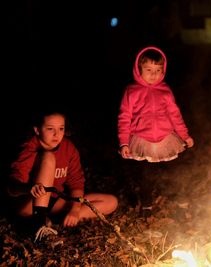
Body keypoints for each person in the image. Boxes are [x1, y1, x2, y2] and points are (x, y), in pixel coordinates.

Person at [7, 109, 118, 242]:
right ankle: (38, 224)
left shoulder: (68, 148)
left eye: (61, 128)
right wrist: (28, 188)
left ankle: (59, 222)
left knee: (111, 202)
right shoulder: (29, 149)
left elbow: (76, 183)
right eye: (50, 129)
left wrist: (75, 211)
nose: (56, 134)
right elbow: (11, 187)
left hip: (53, 201)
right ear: (37, 130)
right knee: (48, 156)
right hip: (28, 203)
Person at [118, 46, 194, 163]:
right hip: (141, 139)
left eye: (158, 70)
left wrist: (185, 136)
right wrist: (124, 142)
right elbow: (124, 118)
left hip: (165, 139)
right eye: (148, 70)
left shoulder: (165, 90)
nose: (153, 74)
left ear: (163, 71)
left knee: (166, 173)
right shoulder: (131, 91)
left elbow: (175, 115)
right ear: (139, 69)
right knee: (142, 173)